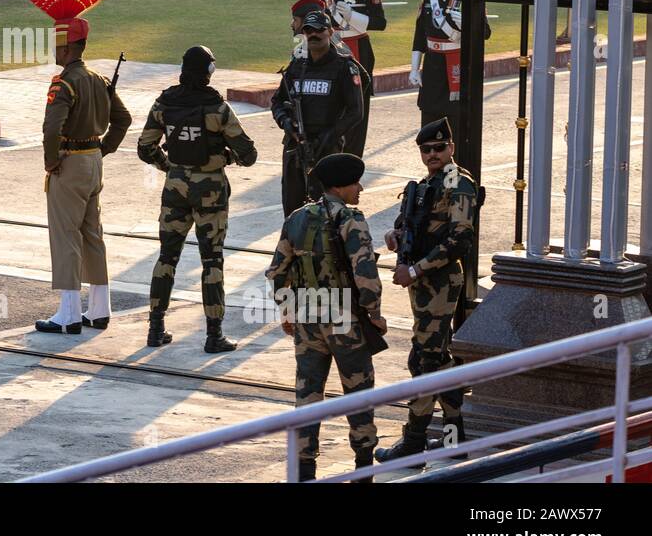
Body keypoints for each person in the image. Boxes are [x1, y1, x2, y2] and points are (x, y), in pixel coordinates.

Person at [266, 152, 387, 482]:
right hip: (345, 320)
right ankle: (363, 468)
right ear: (340, 186)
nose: (360, 188)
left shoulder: (297, 218)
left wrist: (287, 310)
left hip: (307, 318)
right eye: (355, 183)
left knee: (308, 395)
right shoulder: (351, 220)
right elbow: (366, 274)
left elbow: (277, 271)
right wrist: (374, 313)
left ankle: (305, 469)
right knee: (359, 395)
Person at [136, 45, 258, 353]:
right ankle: (214, 334)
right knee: (212, 260)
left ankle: (155, 328)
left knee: (167, 256)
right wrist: (226, 158)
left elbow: (145, 147)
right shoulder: (216, 108)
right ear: (208, 73)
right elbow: (248, 153)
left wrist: (170, 168)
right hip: (211, 190)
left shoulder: (165, 103)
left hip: (174, 187)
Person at [376, 117, 481, 464]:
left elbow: (459, 239)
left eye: (439, 148)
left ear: (451, 148)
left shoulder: (458, 183)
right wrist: (396, 235)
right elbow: (415, 223)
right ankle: (454, 440)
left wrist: (416, 269)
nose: (433, 154)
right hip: (421, 283)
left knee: (423, 360)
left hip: (438, 281)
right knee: (440, 360)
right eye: (426, 149)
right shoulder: (428, 183)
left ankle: (414, 442)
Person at [34, 0, 131, 333]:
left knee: (66, 236)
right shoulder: (100, 79)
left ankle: (69, 314)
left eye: (56, 45)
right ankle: (100, 309)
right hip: (93, 162)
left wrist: (51, 161)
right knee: (93, 234)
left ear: (66, 47)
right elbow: (123, 119)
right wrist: (104, 149)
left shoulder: (64, 83)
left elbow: (51, 129)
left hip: (70, 164)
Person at [271, 9, 364, 217]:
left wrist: (329, 136)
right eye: (308, 31)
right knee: (293, 211)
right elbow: (277, 101)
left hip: (327, 150)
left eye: (319, 30)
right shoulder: (296, 67)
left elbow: (356, 112)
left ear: (330, 31)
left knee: (327, 213)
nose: (313, 35)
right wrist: (286, 123)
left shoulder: (345, 67)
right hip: (296, 148)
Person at [410, 0, 490, 146]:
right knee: (428, 119)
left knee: (455, 123)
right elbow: (420, 35)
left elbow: (486, 33)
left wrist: (468, 25)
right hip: (431, 66)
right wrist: (414, 67)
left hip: (456, 66)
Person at [321, 0, 386, 155]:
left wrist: (353, 16)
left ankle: (352, 158)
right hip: (332, 49)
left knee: (358, 109)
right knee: (330, 104)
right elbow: (322, 18)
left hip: (359, 50)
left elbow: (380, 22)